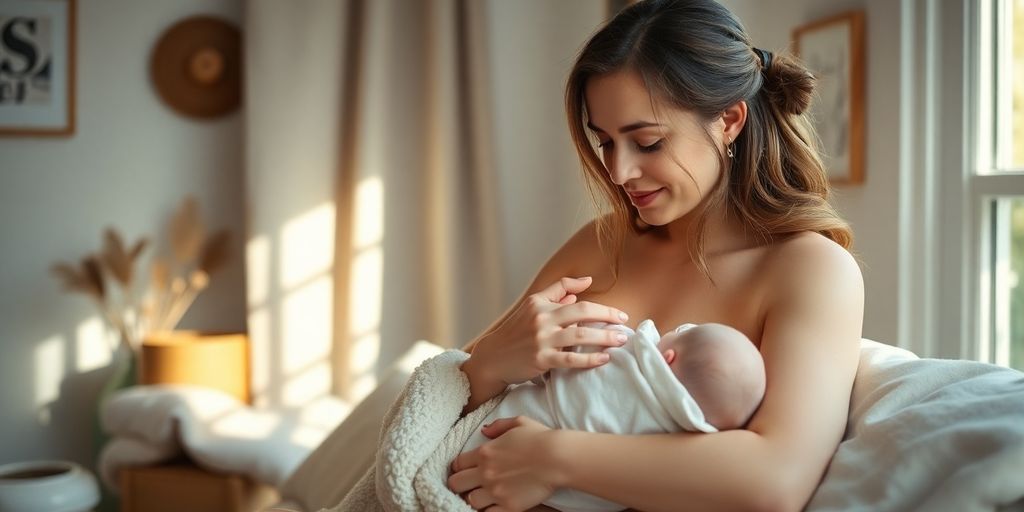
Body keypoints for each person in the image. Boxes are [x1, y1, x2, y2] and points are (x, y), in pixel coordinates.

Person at [447, 0, 865, 510]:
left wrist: (556, 458)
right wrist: (493, 362)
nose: (619, 172)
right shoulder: (601, 242)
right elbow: (446, 403)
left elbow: (776, 478)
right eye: (605, 143)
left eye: (647, 142)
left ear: (729, 120)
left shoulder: (810, 271)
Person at [458, 320, 765, 512]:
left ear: (669, 356)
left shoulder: (619, 351)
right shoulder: (673, 440)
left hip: (484, 438)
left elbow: (570, 344)